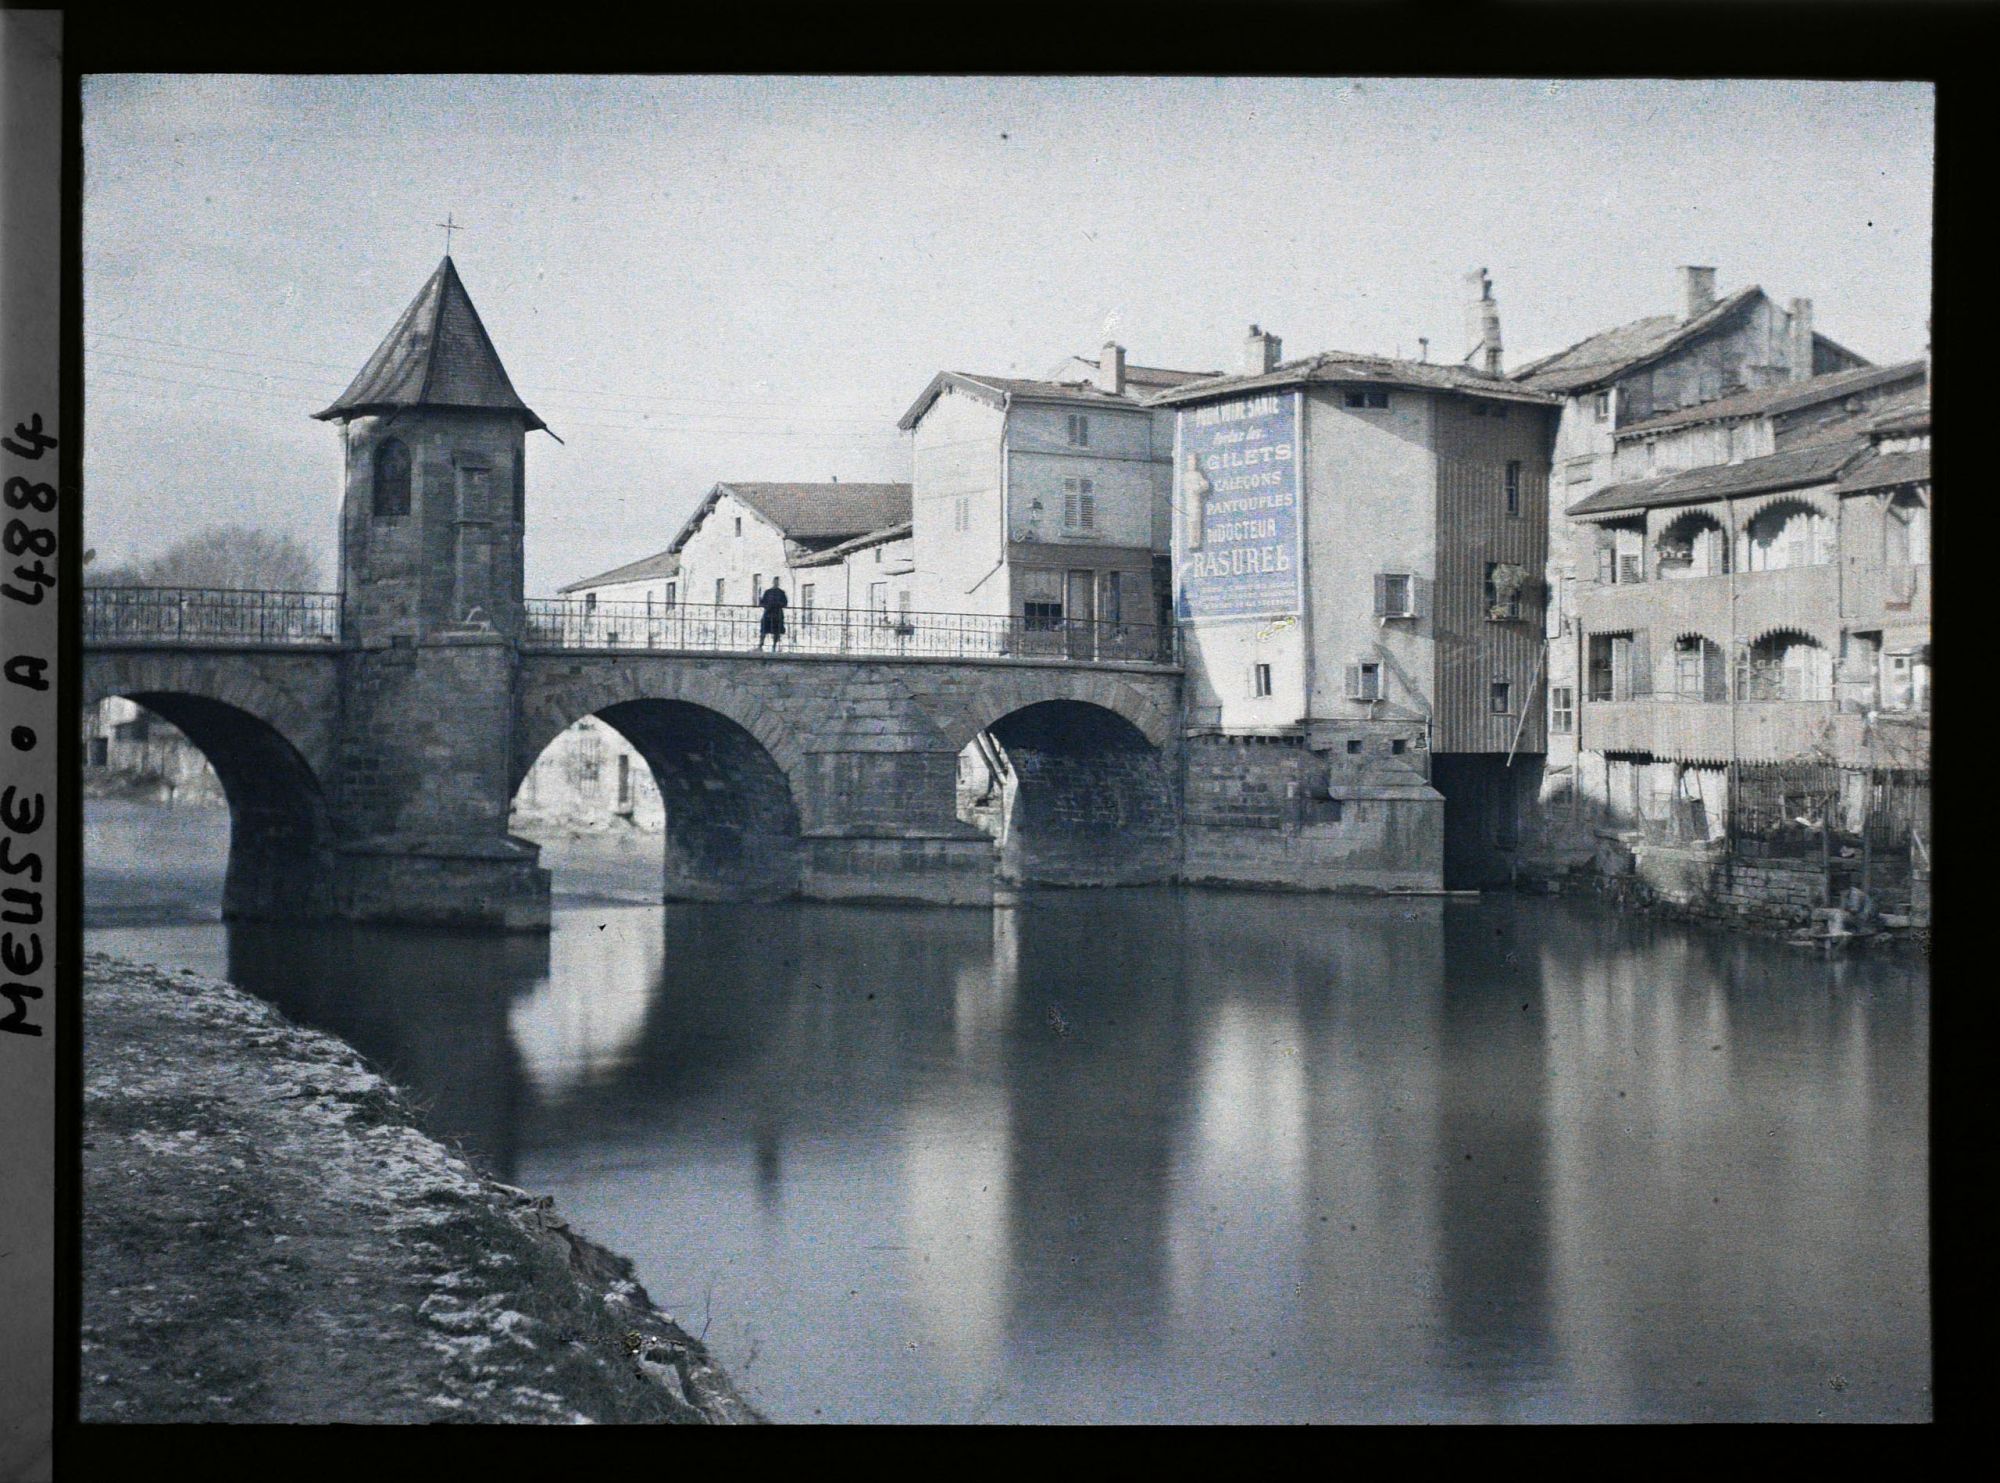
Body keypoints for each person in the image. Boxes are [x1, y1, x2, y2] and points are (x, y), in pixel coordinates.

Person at [757, 578, 789, 652]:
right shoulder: (768, 592)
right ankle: (760, 645)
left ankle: (774, 647)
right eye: (775, 582)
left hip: (777, 614)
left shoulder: (781, 593)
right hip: (768, 613)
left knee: (776, 631)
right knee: (764, 630)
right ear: (773, 582)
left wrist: (778, 604)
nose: (776, 583)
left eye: (777, 582)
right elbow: (762, 603)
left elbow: (785, 603)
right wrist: (766, 605)